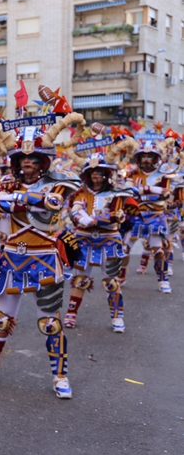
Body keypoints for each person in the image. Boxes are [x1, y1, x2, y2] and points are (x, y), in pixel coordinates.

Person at [0, 106, 83, 399]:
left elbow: (53, 203)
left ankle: (60, 376)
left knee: (50, 322)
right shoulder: (5, 183)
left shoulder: (61, 182)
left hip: (45, 259)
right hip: (12, 258)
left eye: (33, 159)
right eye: (22, 159)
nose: (27, 164)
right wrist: (23, 200)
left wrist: (18, 200)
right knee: (1, 318)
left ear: (44, 162)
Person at [63, 129, 138, 332]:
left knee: (111, 281)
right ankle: (71, 314)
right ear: (86, 175)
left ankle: (117, 317)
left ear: (106, 174)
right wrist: (82, 218)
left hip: (109, 239)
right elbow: (74, 210)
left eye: (99, 174)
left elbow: (121, 215)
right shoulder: (80, 192)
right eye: (92, 174)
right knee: (80, 279)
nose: (95, 177)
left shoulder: (117, 192)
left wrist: (99, 219)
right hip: (84, 238)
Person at [125, 138, 177, 293]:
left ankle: (163, 280)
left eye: (149, 157)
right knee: (124, 248)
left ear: (155, 158)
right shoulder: (132, 173)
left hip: (155, 215)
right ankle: (120, 276)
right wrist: (152, 191)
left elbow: (167, 194)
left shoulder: (164, 174)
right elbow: (128, 192)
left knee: (158, 251)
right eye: (142, 157)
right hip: (136, 215)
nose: (145, 160)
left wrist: (142, 191)